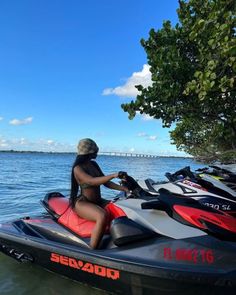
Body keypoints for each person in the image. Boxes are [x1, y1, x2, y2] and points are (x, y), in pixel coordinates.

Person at [70, 138, 129, 249]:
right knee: (102, 216)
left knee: (120, 207)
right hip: (84, 203)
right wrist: (113, 175)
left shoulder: (94, 164)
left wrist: (124, 189)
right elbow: (91, 181)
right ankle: (92, 249)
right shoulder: (78, 168)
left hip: (98, 201)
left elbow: (106, 182)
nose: (97, 153)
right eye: (95, 151)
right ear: (89, 153)